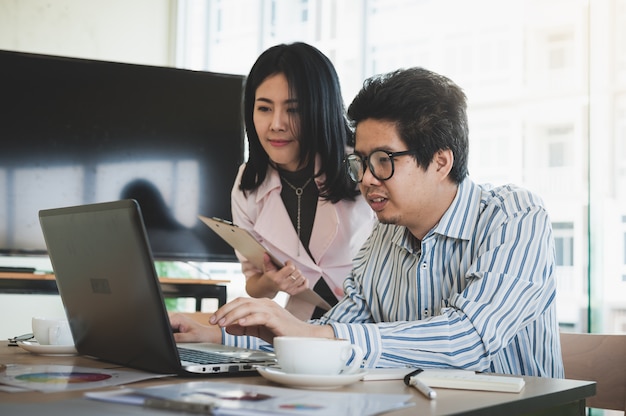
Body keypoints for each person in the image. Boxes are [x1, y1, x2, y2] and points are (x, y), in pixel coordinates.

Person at [171, 67, 564, 378]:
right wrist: (219, 336)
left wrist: (313, 333)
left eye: (384, 160)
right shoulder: (382, 238)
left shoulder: (514, 216)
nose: (366, 179)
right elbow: (328, 339)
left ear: (441, 161)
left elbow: (469, 339)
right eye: (360, 161)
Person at [231, 42, 376, 320]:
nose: (276, 124)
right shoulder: (248, 183)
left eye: (293, 110)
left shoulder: (362, 167)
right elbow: (254, 283)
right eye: (264, 108)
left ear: (321, 109)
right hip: (300, 326)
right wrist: (273, 282)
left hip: (371, 322)